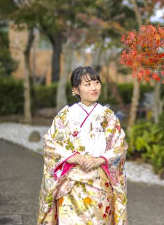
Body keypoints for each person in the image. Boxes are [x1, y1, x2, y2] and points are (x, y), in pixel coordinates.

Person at [37, 66, 127, 224]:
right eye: (87, 84)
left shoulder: (108, 116)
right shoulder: (65, 115)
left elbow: (119, 146)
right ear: (76, 90)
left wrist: (100, 159)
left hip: (100, 183)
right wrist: (74, 157)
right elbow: (50, 143)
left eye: (96, 82)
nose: (94, 87)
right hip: (71, 184)